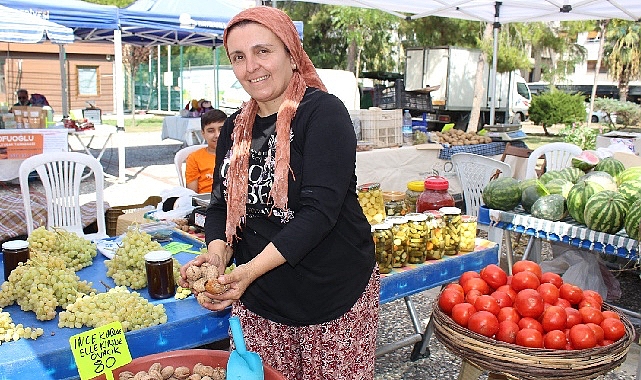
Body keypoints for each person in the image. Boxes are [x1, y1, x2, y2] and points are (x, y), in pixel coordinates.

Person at [179, 6, 379, 380]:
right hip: (262, 301)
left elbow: (318, 213)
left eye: (263, 51)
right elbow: (222, 204)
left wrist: (248, 272)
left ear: (290, 53)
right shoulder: (235, 127)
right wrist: (217, 255)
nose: (251, 66)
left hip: (332, 296)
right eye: (238, 57)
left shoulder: (323, 115)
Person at [184, 109, 227, 194]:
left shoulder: (238, 155)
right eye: (211, 131)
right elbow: (192, 194)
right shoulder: (194, 158)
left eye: (221, 130)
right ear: (203, 133)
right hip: (205, 204)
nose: (217, 135)